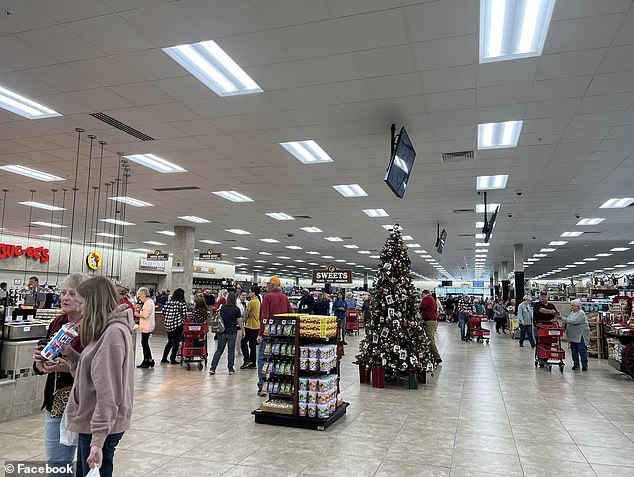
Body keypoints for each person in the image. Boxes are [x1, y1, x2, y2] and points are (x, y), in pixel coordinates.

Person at [60, 276, 134, 477]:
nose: (81, 309)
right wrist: (70, 355)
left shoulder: (112, 334)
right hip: (95, 421)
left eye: (83, 303)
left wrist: (98, 440)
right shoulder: (105, 331)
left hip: (99, 425)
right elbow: (91, 377)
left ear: (93, 303)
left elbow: (108, 392)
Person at [32, 273, 89, 476]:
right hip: (56, 401)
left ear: (86, 298)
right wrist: (41, 363)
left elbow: (96, 370)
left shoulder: (95, 326)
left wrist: (66, 366)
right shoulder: (58, 322)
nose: (65, 298)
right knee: (58, 462)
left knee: (87, 464)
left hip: (86, 403)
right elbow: (42, 364)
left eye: (72, 293)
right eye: (63, 292)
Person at [257, 276, 293, 396]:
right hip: (283, 334)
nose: (266, 286)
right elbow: (291, 314)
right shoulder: (284, 297)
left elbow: (264, 317)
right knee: (279, 360)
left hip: (269, 333)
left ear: (272, 286)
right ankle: (279, 386)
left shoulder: (267, 297)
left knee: (263, 358)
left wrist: (261, 334)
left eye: (268, 284)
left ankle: (263, 386)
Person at [209, 292, 245, 375]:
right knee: (231, 351)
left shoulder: (223, 308)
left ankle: (213, 368)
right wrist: (243, 330)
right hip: (232, 332)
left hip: (222, 331)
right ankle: (230, 369)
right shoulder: (236, 309)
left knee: (219, 350)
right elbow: (239, 321)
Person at [160, 288, 188, 365]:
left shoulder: (168, 302)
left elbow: (163, 312)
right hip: (177, 325)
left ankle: (164, 358)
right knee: (176, 342)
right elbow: (185, 315)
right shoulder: (181, 304)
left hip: (168, 325)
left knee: (170, 341)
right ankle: (173, 359)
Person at [562, 299, 590, 371]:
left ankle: (584, 364)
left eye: (572, 305)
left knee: (581, 349)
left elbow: (574, 321)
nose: (571, 307)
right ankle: (576, 364)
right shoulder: (571, 313)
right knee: (574, 350)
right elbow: (568, 319)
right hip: (573, 335)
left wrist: (562, 319)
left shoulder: (581, 313)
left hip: (580, 335)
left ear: (578, 306)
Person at [134, 287, 155, 368]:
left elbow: (145, 315)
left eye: (139, 297)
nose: (139, 299)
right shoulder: (147, 302)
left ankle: (147, 360)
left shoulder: (148, 303)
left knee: (144, 343)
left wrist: (136, 314)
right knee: (144, 343)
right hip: (146, 325)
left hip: (147, 326)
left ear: (143, 295)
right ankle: (148, 359)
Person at [240, 286, 260, 369]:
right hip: (256, 326)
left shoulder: (251, 302)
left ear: (254, 292)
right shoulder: (258, 301)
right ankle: (253, 362)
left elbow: (246, 315)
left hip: (250, 326)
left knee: (243, 342)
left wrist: (246, 315)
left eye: (250, 291)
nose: (249, 293)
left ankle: (247, 359)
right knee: (252, 345)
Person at [419, 290, 441, 364]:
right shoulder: (432, 298)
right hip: (433, 321)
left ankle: (437, 357)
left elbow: (421, 308)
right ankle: (433, 356)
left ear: (424, 294)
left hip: (429, 321)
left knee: (430, 339)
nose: (422, 297)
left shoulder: (427, 298)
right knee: (432, 339)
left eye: (422, 296)